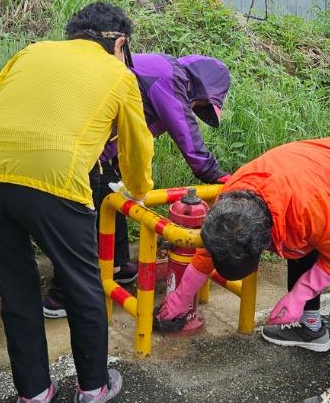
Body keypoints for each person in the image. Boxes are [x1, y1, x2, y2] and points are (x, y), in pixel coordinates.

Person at [0, 2, 154, 403]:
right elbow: (136, 150)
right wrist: (138, 193)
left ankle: (32, 397)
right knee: (84, 283)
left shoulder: (30, 53)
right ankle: (92, 390)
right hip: (53, 178)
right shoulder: (120, 75)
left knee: (17, 289)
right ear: (119, 43)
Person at [157, 133, 330, 403]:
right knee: (297, 241)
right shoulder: (231, 203)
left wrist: (298, 296)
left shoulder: (306, 208)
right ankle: (310, 329)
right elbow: (212, 249)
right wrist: (179, 299)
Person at [42, 52, 231, 318]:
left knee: (110, 190)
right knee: (85, 214)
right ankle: (60, 296)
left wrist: (120, 163)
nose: (196, 108)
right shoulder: (169, 76)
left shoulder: (156, 74)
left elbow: (135, 129)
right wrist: (219, 176)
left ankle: (116, 266)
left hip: (94, 144)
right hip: (77, 144)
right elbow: (188, 139)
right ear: (200, 85)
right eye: (201, 103)